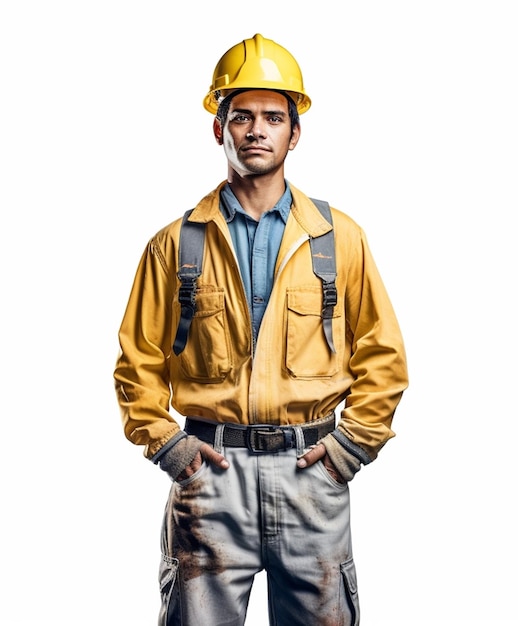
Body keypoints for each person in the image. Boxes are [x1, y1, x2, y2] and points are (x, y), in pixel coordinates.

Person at [114, 33, 408, 626]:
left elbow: (384, 357)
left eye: (273, 117)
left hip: (311, 478)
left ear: (294, 133)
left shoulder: (337, 239)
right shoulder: (174, 246)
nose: (256, 129)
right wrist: (172, 450)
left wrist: (346, 452)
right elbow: (136, 365)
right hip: (211, 483)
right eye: (241, 116)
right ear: (217, 128)